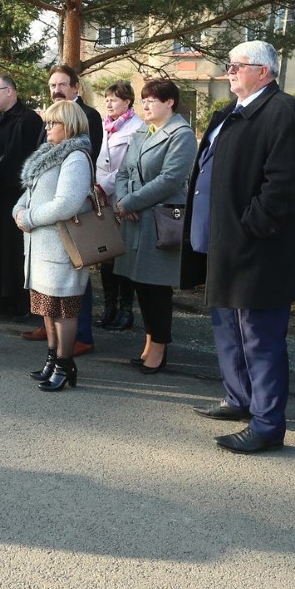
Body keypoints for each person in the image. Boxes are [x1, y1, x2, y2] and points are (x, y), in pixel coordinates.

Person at [188, 41, 295, 454]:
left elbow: (286, 184)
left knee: (260, 339)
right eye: (229, 65)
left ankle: (267, 425)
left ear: (264, 71)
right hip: (223, 246)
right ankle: (238, 399)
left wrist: (250, 227)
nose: (229, 71)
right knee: (228, 329)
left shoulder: (284, 112)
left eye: (237, 66)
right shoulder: (230, 112)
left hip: (258, 250)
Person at [111, 79, 196, 375]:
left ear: (170, 102)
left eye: (151, 100)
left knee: (156, 286)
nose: (145, 105)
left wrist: (131, 202)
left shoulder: (181, 134)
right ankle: (150, 343)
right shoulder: (141, 132)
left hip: (160, 219)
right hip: (136, 217)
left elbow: (170, 179)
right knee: (141, 284)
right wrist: (123, 200)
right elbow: (123, 172)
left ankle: (159, 347)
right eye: (143, 100)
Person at [13, 100, 95, 391]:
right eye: (46, 122)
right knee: (47, 308)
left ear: (69, 125)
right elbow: (29, 192)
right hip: (41, 247)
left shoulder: (75, 157)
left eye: (53, 123)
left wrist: (29, 218)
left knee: (64, 309)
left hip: (62, 247)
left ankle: (64, 363)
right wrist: (18, 210)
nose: (46, 128)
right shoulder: (48, 153)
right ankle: (52, 358)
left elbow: (67, 204)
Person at [0, 73, 44, 320]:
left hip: (14, 196)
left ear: (10, 91)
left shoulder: (28, 120)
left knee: (13, 253)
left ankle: (17, 303)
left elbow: (19, 156)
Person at [46, 65, 103, 354]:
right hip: (50, 207)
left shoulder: (88, 116)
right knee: (50, 274)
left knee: (76, 271)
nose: (56, 90)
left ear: (76, 87)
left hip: (73, 207)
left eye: (62, 84)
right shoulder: (51, 115)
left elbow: (87, 158)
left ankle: (81, 334)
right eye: (52, 85)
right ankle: (50, 327)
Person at [95, 81, 145, 331]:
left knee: (123, 257)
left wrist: (103, 186)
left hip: (121, 198)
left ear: (127, 102)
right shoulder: (105, 126)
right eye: (106, 99)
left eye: (113, 99)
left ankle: (126, 311)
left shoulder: (137, 128)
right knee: (106, 256)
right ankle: (110, 307)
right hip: (102, 199)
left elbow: (129, 166)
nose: (108, 103)